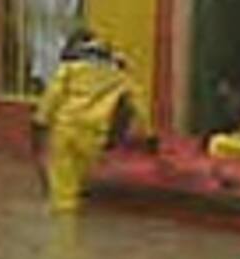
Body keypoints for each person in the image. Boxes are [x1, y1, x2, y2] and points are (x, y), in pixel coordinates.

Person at [31, 28, 152, 213]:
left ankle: (64, 232)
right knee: (81, 180)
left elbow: (53, 95)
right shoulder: (119, 73)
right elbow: (139, 103)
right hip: (94, 134)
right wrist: (149, 134)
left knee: (63, 193)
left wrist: (40, 120)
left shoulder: (70, 67)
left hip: (65, 128)